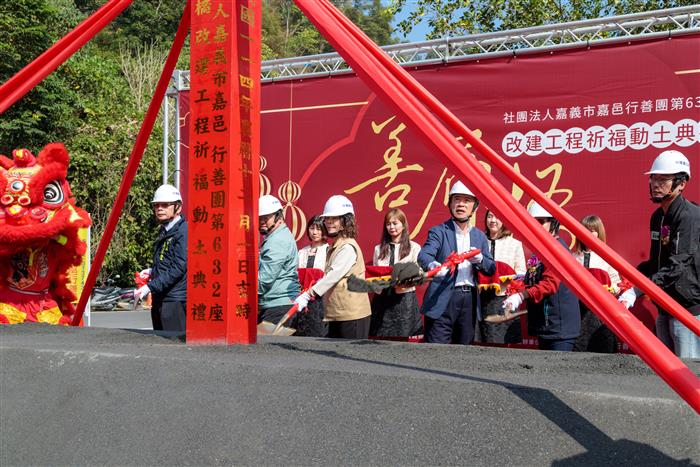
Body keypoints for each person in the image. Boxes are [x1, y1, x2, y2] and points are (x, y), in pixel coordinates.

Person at [619, 150, 700, 358]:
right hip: (664, 306)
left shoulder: (689, 216)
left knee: (687, 371)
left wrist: (639, 289)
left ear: (681, 184)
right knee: (664, 370)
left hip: (686, 310)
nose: (656, 184)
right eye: (653, 178)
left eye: (663, 179)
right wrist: (630, 282)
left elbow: (678, 264)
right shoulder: (658, 217)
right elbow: (655, 262)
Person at [417, 181, 496, 345]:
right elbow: (424, 255)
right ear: (450, 204)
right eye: (457, 200)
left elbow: (491, 268)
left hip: (469, 300)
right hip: (442, 297)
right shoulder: (439, 232)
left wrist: (481, 259)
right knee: (436, 351)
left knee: (464, 350)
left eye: (467, 200)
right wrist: (433, 266)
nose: (461, 204)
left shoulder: (480, 236)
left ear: (474, 207)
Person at [503, 202, 581, 351]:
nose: (536, 226)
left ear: (553, 223)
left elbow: (549, 284)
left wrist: (522, 296)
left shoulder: (557, 249)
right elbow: (536, 279)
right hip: (546, 325)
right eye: (533, 222)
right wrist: (519, 286)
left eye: (541, 222)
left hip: (559, 329)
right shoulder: (542, 249)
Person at [294, 195, 372, 339]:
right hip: (338, 313)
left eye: (334, 218)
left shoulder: (347, 246)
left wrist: (308, 294)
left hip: (352, 315)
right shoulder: (336, 245)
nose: (329, 222)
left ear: (346, 221)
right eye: (327, 219)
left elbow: (333, 275)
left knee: (351, 353)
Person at [135, 184, 187, 333]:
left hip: (174, 301)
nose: (159, 209)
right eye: (156, 205)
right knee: (159, 342)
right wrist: (153, 271)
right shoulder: (165, 230)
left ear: (178, 207)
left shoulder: (183, 232)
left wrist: (150, 286)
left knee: (173, 344)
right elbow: (168, 261)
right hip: (161, 298)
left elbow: (178, 267)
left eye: (165, 205)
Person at [369, 208, 422, 337]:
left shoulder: (414, 247)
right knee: (380, 337)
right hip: (382, 299)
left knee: (403, 336)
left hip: (405, 299)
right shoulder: (378, 249)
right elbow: (375, 273)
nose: (391, 227)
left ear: (403, 225)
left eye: (395, 223)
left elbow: (419, 273)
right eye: (388, 224)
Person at [572, 215, 621, 353]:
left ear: (599, 232)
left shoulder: (607, 257)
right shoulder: (573, 257)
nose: (588, 233)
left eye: (592, 230)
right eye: (585, 230)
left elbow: (617, 284)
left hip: (601, 314)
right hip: (578, 313)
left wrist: (610, 290)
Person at [478, 210, 526, 344]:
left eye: (497, 217)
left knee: (503, 342)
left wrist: (506, 280)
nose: (493, 221)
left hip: (505, 299)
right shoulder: (479, 241)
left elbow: (521, 273)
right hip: (481, 299)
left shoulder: (515, 244)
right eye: (490, 216)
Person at [257, 195, 301, 325]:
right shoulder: (276, 236)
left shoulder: (277, 241)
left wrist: (239, 292)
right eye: (259, 218)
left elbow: (264, 280)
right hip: (278, 304)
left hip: (278, 306)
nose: (262, 221)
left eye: (266, 217)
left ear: (278, 216)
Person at [295, 216, 328, 337]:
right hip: (301, 298)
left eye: (318, 229)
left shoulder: (328, 250)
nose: (314, 232)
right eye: (312, 228)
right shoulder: (302, 252)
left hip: (321, 299)